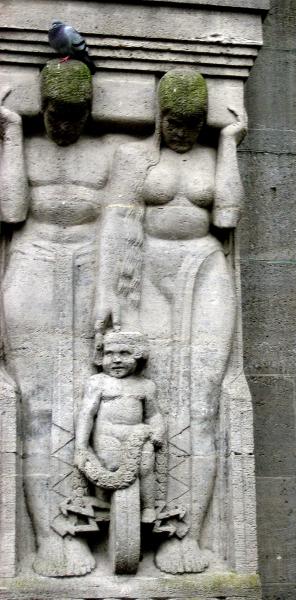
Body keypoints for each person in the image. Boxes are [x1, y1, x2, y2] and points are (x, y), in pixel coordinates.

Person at [95, 68, 247, 574]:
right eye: (175, 122)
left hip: (204, 269)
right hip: (149, 274)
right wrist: (109, 296)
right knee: (151, 396)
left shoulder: (210, 156)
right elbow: (118, 221)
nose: (183, 132)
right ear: (159, 117)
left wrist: (229, 143)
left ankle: (186, 531)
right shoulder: (134, 157)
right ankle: (140, 518)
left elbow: (226, 217)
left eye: (193, 124)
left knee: (202, 403)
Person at [0, 60, 118, 576]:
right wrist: (10, 133)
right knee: (37, 404)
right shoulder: (26, 146)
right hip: (32, 263)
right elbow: (11, 211)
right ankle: (48, 533)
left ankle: (83, 522)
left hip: (89, 271)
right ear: (43, 109)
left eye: (74, 116)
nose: (63, 125)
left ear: (88, 113)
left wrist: (111, 292)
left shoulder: (107, 153)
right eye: (54, 115)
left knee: (85, 401)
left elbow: (120, 226)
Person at [75, 329, 164, 523]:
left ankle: (148, 506)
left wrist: (158, 431)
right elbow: (87, 413)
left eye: (124, 353)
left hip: (137, 436)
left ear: (138, 355)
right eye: (109, 354)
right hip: (106, 436)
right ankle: (104, 504)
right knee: (110, 463)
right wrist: (81, 446)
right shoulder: (98, 382)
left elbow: (153, 414)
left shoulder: (145, 385)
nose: (116, 360)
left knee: (146, 466)